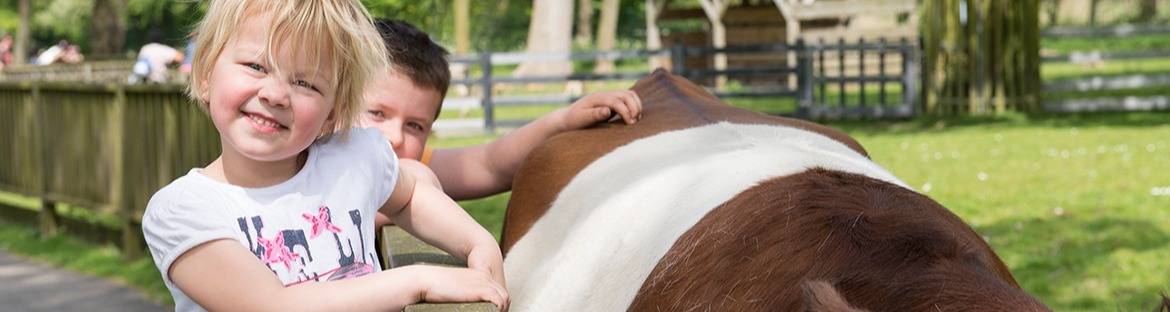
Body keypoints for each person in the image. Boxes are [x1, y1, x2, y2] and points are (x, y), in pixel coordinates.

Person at [140, 1, 508, 311]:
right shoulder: (182, 212)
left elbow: (410, 195)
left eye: (305, 83)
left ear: (333, 111)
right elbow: (274, 306)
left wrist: (478, 243)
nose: (276, 94)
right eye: (256, 66)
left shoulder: (355, 160)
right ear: (205, 75)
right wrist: (419, 280)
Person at [361, 20, 642, 226]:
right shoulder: (318, 163)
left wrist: (564, 119)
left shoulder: (412, 167)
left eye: (415, 126)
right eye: (377, 113)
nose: (395, 137)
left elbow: (490, 163)